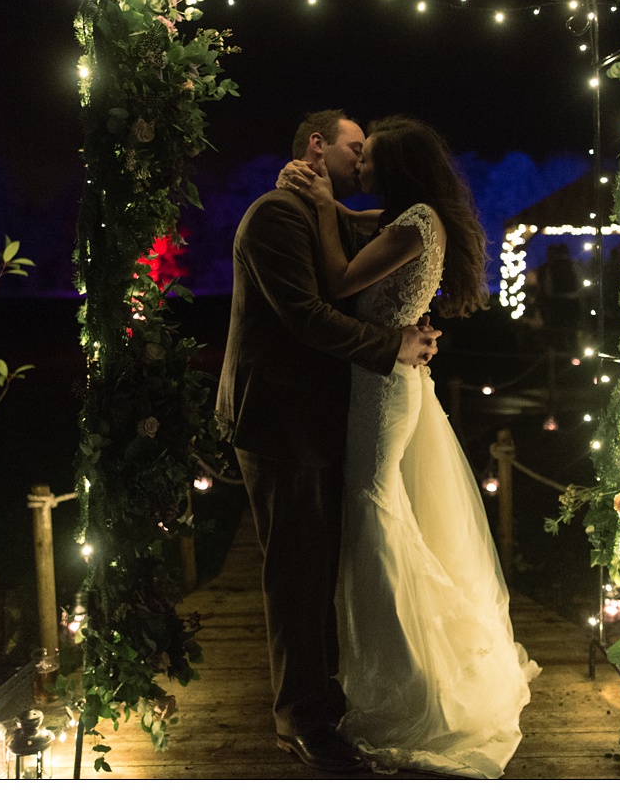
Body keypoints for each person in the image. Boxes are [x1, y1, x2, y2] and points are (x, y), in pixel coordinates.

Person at [279, 115, 540, 778]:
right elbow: (360, 218)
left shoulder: (414, 223)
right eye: (356, 154)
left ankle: (403, 680)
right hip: (391, 380)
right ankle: (388, 665)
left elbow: (339, 282)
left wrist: (317, 207)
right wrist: (329, 203)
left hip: (384, 386)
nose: (359, 164)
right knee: (381, 511)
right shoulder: (413, 217)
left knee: (371, 512)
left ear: (393, 168)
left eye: (370, 159)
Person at [215, 109, 442, 774]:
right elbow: (308, 315)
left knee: (317, 564)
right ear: (317, 146)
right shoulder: (275, 217)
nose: (363, 159)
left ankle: (323, 694)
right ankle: (299, 718)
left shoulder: (327, 214)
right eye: (353, 148)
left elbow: (377, 256)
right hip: (277, 417)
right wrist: (394, 343)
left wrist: (415, 317)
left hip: (320, 414)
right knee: (293, 570)